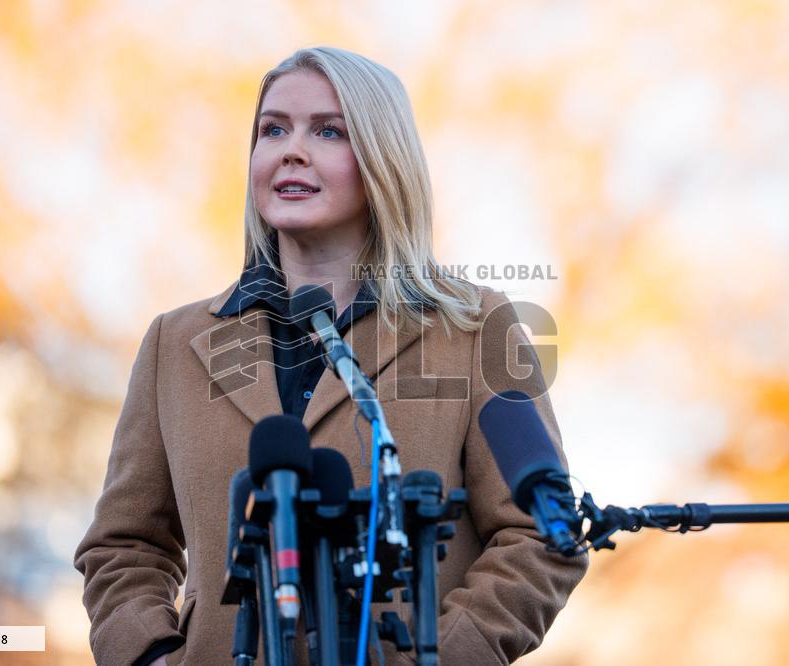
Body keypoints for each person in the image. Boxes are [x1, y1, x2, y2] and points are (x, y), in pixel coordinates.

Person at [74, 46, 588, 665]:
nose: (292, 149)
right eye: (273, 129)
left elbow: (541, 534)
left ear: (381, 158)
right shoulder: (174, 343)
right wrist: (151, 655)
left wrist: (443, 657)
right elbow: (123, 546)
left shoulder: (476, 327)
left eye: (328, 130)